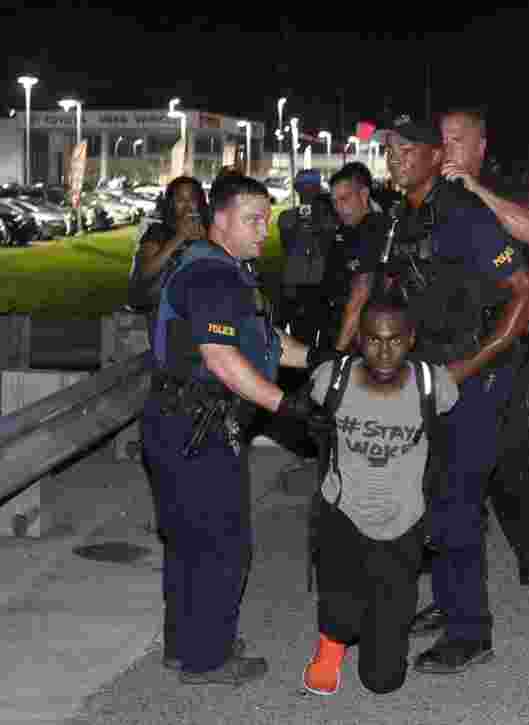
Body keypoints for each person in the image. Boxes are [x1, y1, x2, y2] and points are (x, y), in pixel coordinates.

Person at [142, 174, 338, 686]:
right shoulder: (212, 277)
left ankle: (187, 644)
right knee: (221, 544)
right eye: (252, 219)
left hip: (179, 421)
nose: (263, 229)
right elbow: (222, 357)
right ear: (220, 219)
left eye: (267, 218)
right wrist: (288, 406)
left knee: (187, 540)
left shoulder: (221, 267)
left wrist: (318, 358)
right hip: (197, 426)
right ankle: (208, 658)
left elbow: (263, 340)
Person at [380, 114, 529, 674]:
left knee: (455, 502)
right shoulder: (408, 215)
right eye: (390, 149)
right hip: (428, 374)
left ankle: (471, 631)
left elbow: (528, 294)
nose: (394, 157)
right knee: (429, 498)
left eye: (406, 149)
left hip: (474, 379)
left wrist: (467, 367)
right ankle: (452, 604)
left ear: (431, 158)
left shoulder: (465, 214)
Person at [301, 292, 459, 696]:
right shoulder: (331, 381)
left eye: (394, 339)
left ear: (410, 338)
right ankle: (330, 648)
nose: (384, 351)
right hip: (344, 513)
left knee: (383, 680)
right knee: (340, 605)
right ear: (359, 340)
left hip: (403, 521)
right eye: (373, 339)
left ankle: (381, 637)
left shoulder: (432, 385)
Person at [434, 106, 529, 592]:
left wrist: (476, 189)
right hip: (447, 346)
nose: (448, 150)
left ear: (480, 147)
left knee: (510, 463)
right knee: (449, 467)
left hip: (499, 345)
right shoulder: (432, 195)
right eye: (442, 140)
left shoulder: (501, 185)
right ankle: (455, 580)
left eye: (458, 140)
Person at [323, 162, 391, 354]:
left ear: (364, 195)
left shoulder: (373, 229)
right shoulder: (348, 229)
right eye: (334, 201)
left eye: (344, 199)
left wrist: (337, 352)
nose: (338, 208)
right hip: (342, 326)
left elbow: (360, 296)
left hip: (360, 338)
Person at [128, 176, 210, 325]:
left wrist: (206, 242)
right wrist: (179, 238)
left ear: (200, 202)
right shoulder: (158, 231)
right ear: (171, 203)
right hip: (160, 304)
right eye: (180, 200)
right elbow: (145, 273)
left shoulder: (210, 232)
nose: (187, 206)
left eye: (192, 199)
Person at [277, 168, 337, 346]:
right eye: (305, 187)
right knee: (301, 337)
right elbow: (288, 244)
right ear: (297, 189)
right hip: (298, 282)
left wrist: (320, 221)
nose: (308, 192)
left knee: (326, 338)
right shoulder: (287, 217)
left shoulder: (330, 218)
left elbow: (329, 244)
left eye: (312, 187)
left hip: (322, 283)